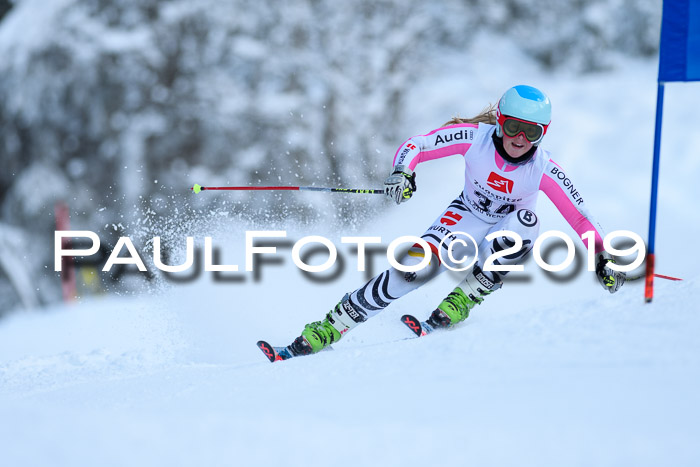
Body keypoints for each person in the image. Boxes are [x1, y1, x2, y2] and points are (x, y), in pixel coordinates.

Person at [287, 85, 626, 356]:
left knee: (525, 219)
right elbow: (417, 145)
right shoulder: (474, 138)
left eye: (532, 132)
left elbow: (581, 218)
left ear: (543, 133)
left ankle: (465, 297)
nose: (520, 139)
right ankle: (331, 326)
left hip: (506, 227)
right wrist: (403, 172)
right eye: (513, 127)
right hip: (464, 216)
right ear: (500, 122)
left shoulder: (544, 169)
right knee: (412, 269)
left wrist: (602, 256)